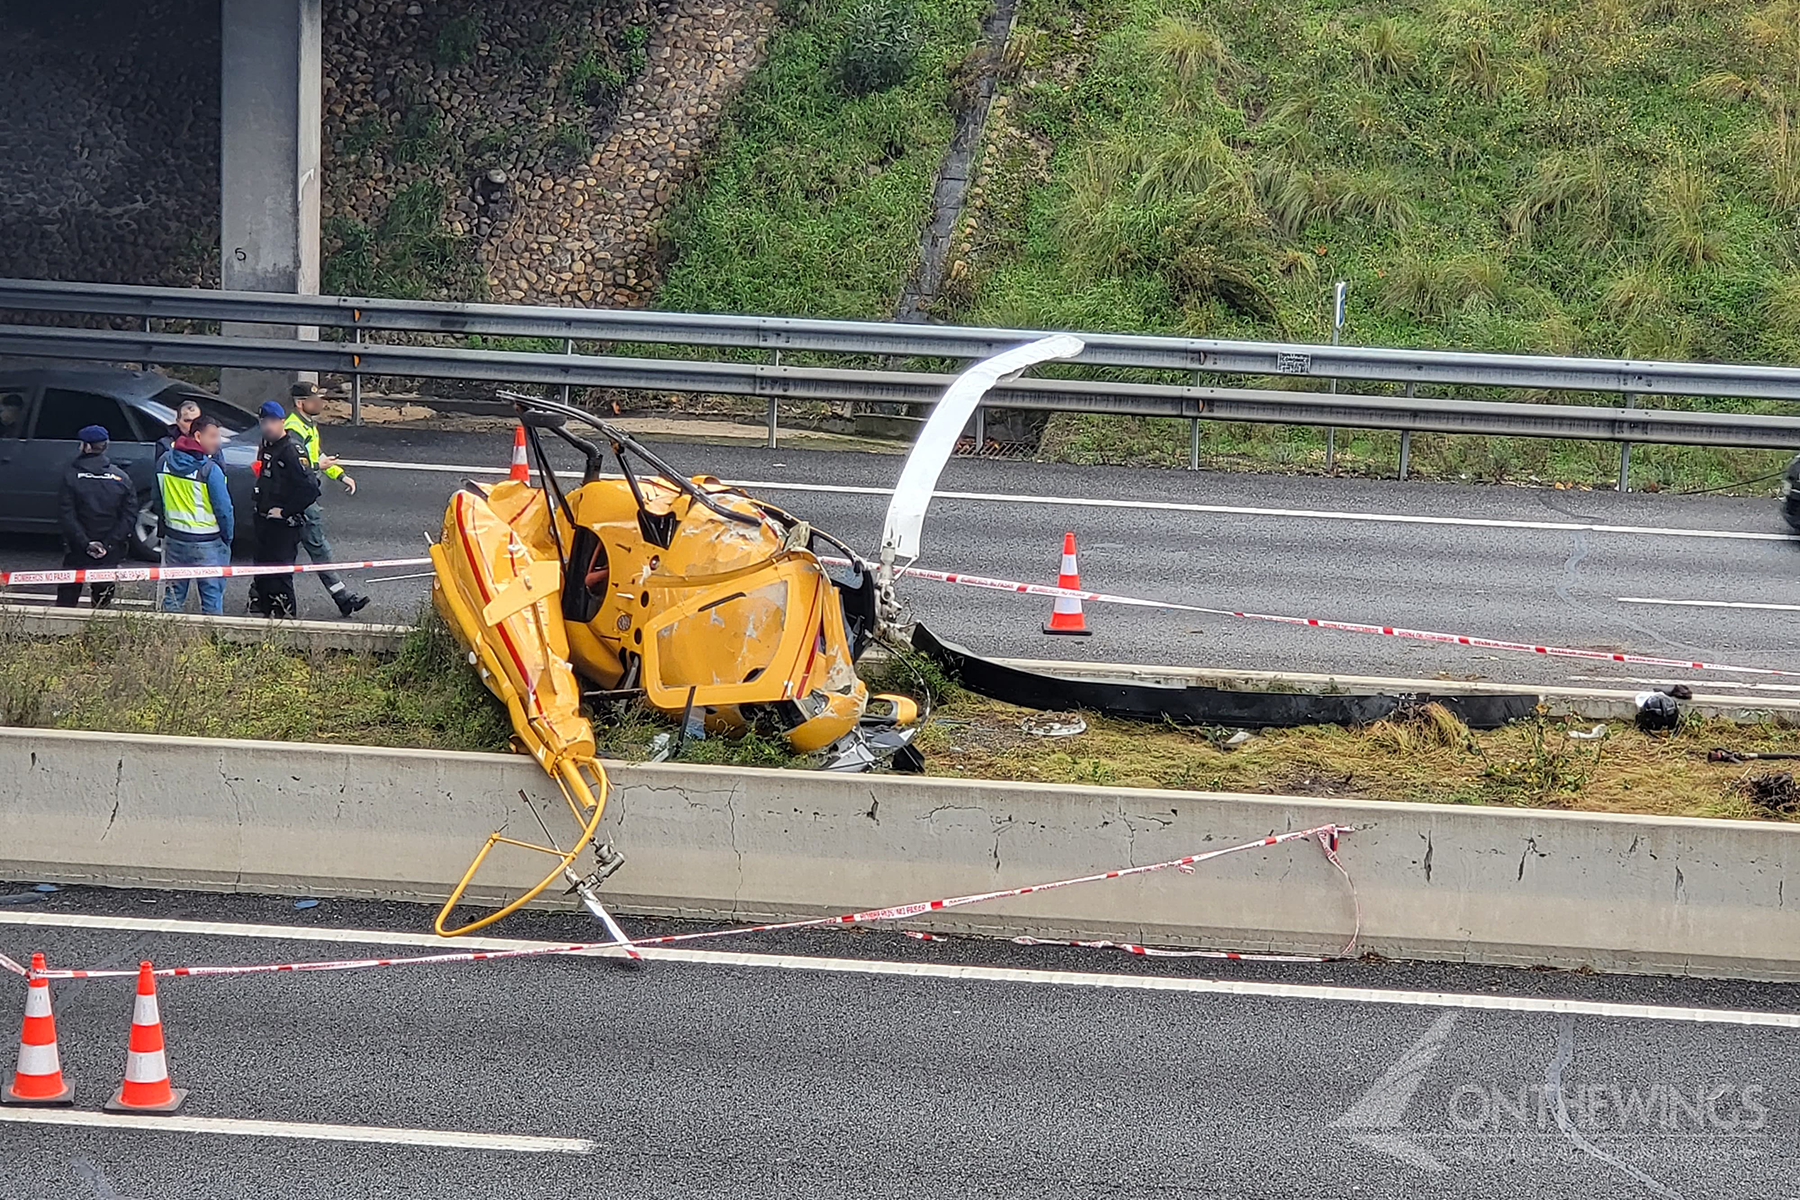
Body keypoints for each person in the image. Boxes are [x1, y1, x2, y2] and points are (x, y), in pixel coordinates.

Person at [283, 383, 369, 616]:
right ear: (301, 403)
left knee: (284, 552)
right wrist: (317, 466)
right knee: (317, 549)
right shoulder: (294, 429)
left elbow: (317, 455)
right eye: (315, 399)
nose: (321, 402)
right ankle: (343, 598)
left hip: (302, 497)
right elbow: (295, 465)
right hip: (301, 500)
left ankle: (259, 596)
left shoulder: (307, 425)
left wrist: (339, 474)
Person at [154, 414, 235, 615]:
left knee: (172, 598)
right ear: (198, 436)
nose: (218, 442)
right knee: (211, 602)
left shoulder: (164, 461)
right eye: (213, 436)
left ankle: (167, 642)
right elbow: (224, 510)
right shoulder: (209, 470)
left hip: (175, 540)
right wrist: (227, 537)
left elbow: (157, 499)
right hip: (207, 543)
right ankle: (211, 643)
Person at [248, 401, 320, 618]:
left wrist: (286, 511)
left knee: (280, 579)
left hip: (282, 527)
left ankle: (286, 624)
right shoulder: (267, 446)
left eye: (272, 422)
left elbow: (310, 489)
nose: (267, 426)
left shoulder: (291, 450)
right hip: (264, 524)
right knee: (263, 577)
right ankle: (264, 619)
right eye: (263, 422)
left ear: (281, 422)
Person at [54, 425, 136, 609]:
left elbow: (66, 515)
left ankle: (62, 631)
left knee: (68, 595)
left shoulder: (71, 476)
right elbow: (129, 516)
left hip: (77, 548)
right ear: (105, 445)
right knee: (102, 600)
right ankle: (97, 633)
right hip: (110, 549)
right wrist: (108, 544)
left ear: (86, 447)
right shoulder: (121, 478)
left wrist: (85, 543)